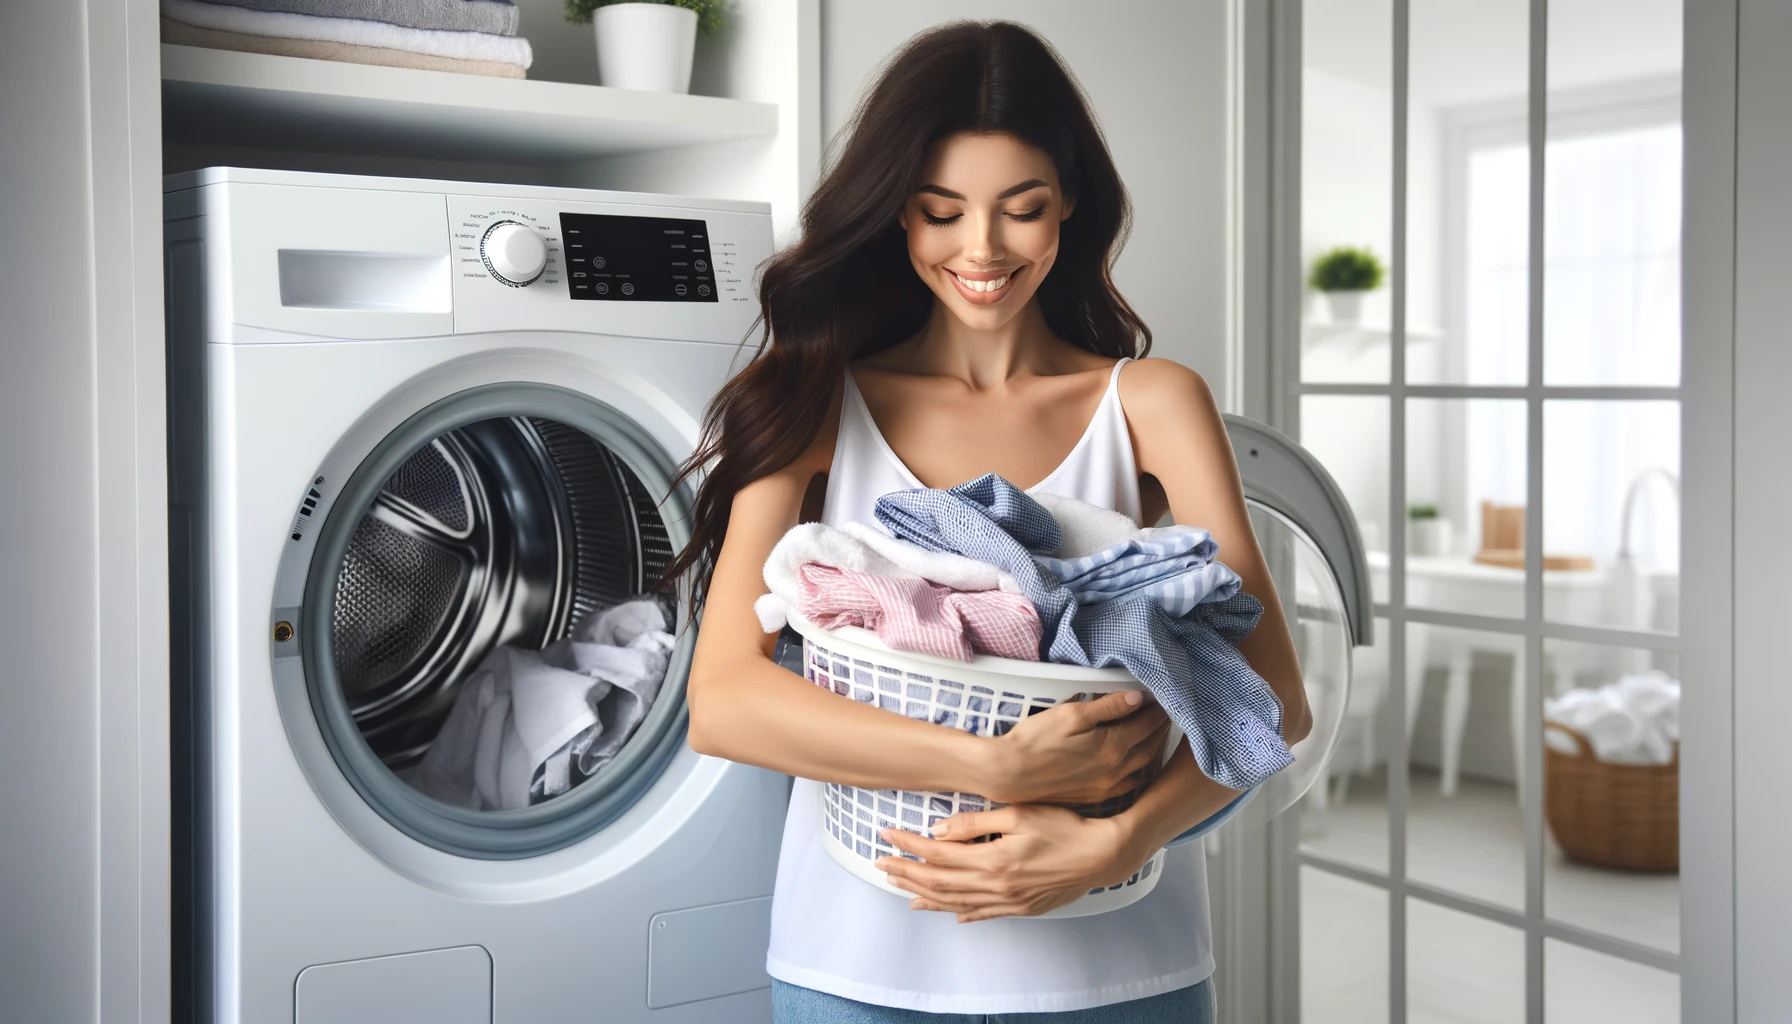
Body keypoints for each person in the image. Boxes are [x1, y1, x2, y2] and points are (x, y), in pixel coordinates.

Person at [664, 20, 1312, 1023]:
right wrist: (986, 763)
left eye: (1022, 209)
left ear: (1068, 211)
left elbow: (1271, 695)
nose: (981, 249)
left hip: (1119, 962)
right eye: (939, 211)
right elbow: (723, 701)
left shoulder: (1151, 402)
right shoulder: (809, 400)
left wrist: (1118, 840)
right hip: (858, 964)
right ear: (895, 218)